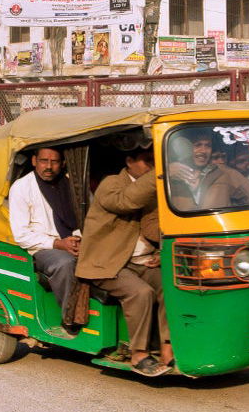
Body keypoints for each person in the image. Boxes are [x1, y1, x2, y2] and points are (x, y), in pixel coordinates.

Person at [77, 145, 171, 377]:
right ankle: (138, 353)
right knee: (141, 293)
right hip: (107, 264)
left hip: (141, 261)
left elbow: (152, 227)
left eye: (156, 161)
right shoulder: (112, 184)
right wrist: (157, 175)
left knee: (171, 286)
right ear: (129, 161)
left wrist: (162, 251)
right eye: (148, 161)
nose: (152, 167)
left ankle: (167, 346)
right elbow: (126, 202)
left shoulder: (151, 188)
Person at [8, 147, 81, 322]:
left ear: (62, 163)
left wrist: (79, 239)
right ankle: (70, 318)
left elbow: (88, 216)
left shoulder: (73, 184)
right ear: (34, 161)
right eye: (43, 161)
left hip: (75, 241)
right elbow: (21, 235)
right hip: (42, 248)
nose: (48, 166)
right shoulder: (22, 187)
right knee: (65, 263)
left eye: (54, 162)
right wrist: (58, 244)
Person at [168, 129, 249, 210]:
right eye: (197, 145)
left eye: (208, 146)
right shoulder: (168, 171)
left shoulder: (223, 171)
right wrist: (166, 173)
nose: (203, 151)